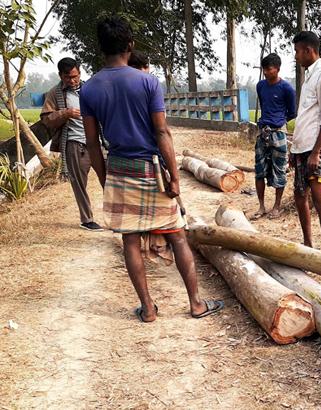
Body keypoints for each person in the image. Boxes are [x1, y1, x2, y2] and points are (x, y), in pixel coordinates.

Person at [80, 15, 223, 323]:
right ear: (130, 46)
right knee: (177, 236)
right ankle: (196, 304)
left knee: (130, 241)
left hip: (118, 168)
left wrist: (107, 181)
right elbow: (162, 133)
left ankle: (147, 309)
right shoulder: (147, 82)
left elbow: (93, 144)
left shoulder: (89, 88)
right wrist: (174, 177)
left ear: (100, 47)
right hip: (151, 169)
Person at [40, 57, 104, 231]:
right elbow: (46, 119)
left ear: (80, 73)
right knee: (79, 184)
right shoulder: (55, 93)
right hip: (75, 144)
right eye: (68, 77)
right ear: (61, 76)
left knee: (109, 179)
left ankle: (116, 213)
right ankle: (87, 219)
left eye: (75, 76)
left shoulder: (89, 89)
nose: (73, 80)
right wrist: (65, 113)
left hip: (98, 143)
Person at [290, 31, 321, 253]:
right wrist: (294, 150)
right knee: (300, 196)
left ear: (309, 50)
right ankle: (308, 243)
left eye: (298, 52)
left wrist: (316, 152)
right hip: (301, 148)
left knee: (319, 200)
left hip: (315, 149)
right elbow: (305, 117)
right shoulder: (309, 76)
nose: (296, 56)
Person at [252, 53, 297, 220]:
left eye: (269, 69)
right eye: (264, 69)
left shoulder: (286, 89)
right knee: (259, 171)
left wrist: (279, 124)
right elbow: (264, 105)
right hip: (262, 132)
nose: (265, 72)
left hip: (278, 134)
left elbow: (292, 113)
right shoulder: (260, 86)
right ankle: (261, 206)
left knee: (280, 170)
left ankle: (276, 207)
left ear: (277, 69)